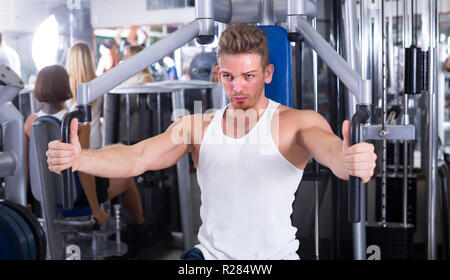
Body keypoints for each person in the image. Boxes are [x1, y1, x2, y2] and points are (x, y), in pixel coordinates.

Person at [46, 24, 377, 260]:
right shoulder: (197, 126)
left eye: (249, 76)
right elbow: (137, 156)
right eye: (229, 77)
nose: (238, 88)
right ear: (219, 74)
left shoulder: (297, 123)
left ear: (269, 73)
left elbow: (331, 149)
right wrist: (80, 157)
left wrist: (347, 161)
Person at [25, 65, 148, 230]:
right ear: (65, 85)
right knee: (126, 179)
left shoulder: (30, 123)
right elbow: (83, 169)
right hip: (76, 195)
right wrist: (95, 209)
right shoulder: (77, 123)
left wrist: (25, 202)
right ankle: (141, 226)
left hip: (43, 195)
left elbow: (26, 166)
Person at [66, 41, 103, 149]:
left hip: (72, 138)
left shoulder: (64, 83)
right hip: (94, 138)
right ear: (90, 58)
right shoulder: (100, 82)